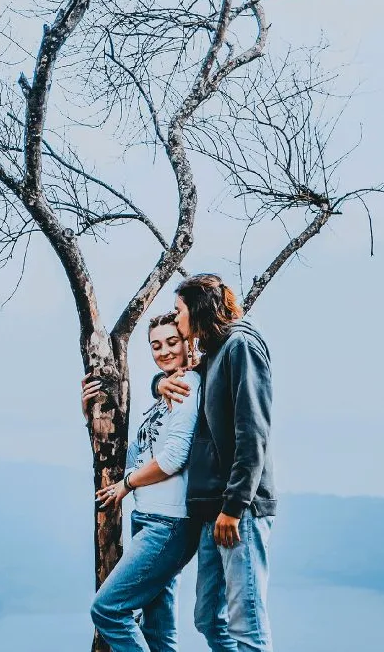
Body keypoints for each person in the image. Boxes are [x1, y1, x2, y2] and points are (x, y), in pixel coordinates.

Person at [152, 275, 276, 652]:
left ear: (199, 308)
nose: (177, 319)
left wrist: (234, 507)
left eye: (179, 311)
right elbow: (181, 380)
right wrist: (159, 381)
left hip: (239, 510)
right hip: (212, 511)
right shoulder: (216, 351)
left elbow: (252, 433)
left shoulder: (241, 346)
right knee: (208, 618)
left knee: (247, 625)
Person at [82, 313, 201, 652]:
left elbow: (174, 458)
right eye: (156, 345)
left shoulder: (188, 387)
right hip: (149, 520)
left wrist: (126, 486)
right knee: (158, 631)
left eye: (172, 342)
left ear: (188, 342)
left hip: (170, 523)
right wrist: (90, 414)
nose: (163, 351)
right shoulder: (164, 391)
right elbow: (134, 453)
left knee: (107, 610)